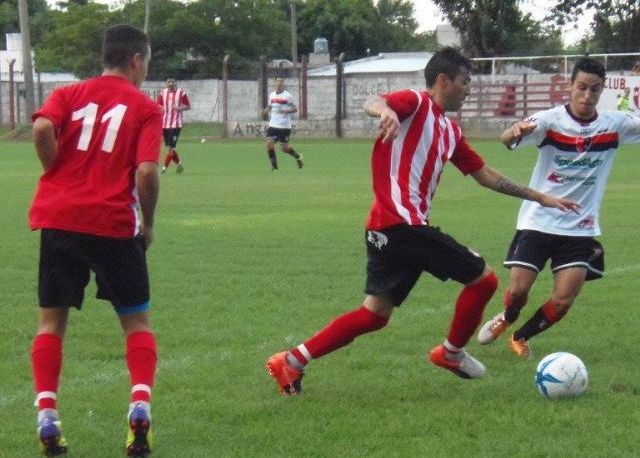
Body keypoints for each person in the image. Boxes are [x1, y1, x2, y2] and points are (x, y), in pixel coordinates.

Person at [266, 47, 578, 395]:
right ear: (444, 80)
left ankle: (291, 361)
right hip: (403, 226)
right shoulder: (415, 103)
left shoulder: (450, 131)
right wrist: (384, 111)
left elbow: (485, 174)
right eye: (465, 82)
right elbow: (376, 100)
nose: (468, 89)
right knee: (483, 280)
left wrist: (541, 196)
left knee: (374, 315)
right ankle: (451, 352)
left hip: (384, 230)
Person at [28, 24, 162, 458]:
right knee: (136, 323)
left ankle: (47, 414)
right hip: (112, 222)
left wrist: (56, 174)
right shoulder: (144, 107)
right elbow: (146, 171)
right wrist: (149, 224)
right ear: (137, 61)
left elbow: (42, 130)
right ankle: (139, 406)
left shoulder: (69, 94)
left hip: (60, 218)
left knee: (51, 323)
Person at [478, 57, 640, 358]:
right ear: (570, 86)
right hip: (538, 221)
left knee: (564, 300)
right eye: (581, 88)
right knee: (517, 292)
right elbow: (506, 139)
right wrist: (514, 132)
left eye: (594, 90)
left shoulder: (614, 125)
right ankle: (507, 316)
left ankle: (521, 336)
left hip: (580, 226)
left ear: (602, 90)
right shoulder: (550, 120)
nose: (587, 96)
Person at [262, 76, 304, 171]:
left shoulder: (288, 96)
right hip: (273, 125)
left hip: (284, 126)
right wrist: (264, 111)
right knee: (269, 143)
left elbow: (295, 109)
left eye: (281, 81)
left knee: (284, 148)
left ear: (283, 84)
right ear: (275, 83)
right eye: (278, 81)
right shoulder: (271, 95)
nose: (279, 83)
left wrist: (286, 111)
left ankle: (298, 157)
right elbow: (269, 107)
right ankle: (274, 167)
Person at [157, 78, 190, 174]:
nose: (171, 83)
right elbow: (158, 105)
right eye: (169, 81)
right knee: (170, 147)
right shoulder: (162, 93)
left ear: (176, 83)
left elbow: (188, 105)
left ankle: (164, 168)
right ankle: (179, 164)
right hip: (165, 124)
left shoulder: (181, 93)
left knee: (170, 147)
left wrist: (179, 108)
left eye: (173, 81)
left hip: (176, 124)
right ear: (166, 83)